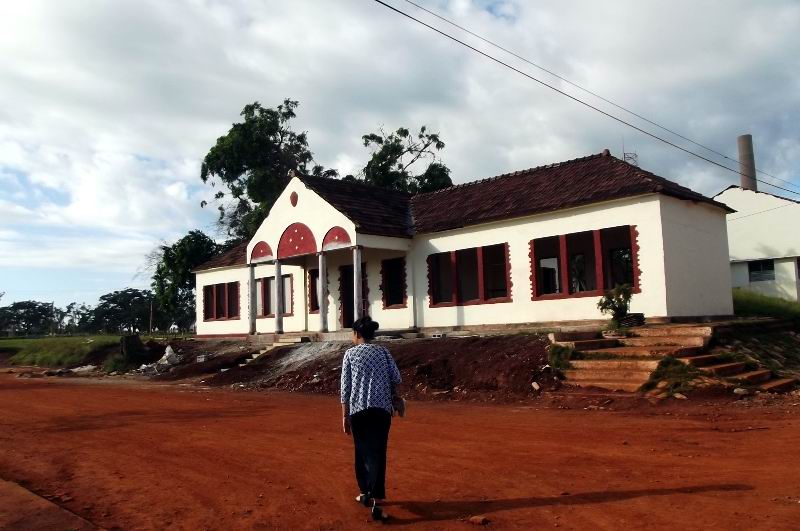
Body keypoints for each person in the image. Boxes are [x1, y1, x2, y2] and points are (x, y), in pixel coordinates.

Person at [340, 316, 402, 521]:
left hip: (358, 411)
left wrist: (344, 416)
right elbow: (396, 378)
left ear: (357, 334)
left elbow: (345, 388)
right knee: (378, 453)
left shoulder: (350, 354)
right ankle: (372, 494)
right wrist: (393, 397)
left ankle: (368, 494)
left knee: (362, 451)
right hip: (382, 410)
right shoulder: (383, 352)